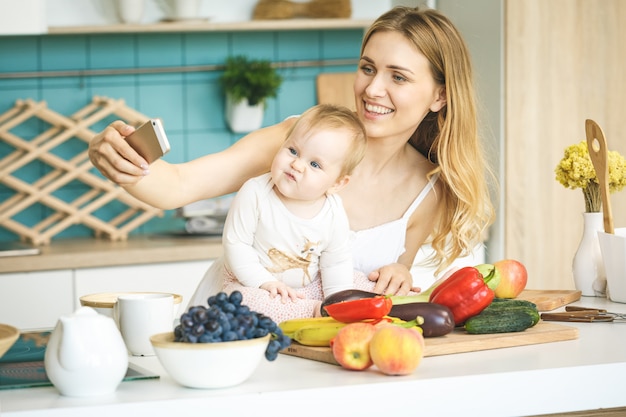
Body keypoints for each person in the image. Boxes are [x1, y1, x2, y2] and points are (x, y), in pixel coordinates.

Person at [88, 6, 495, 309]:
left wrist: (400, 275)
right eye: (368, 68)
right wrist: (118, 157)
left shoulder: (427, 190)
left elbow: (385, 285)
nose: (373, 89)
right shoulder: (298, 141)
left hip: (325, 356)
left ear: (440, 95)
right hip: (237, 331)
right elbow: (177, 186)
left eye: (398, 76)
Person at [220, 104, 367, 322]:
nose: (297, 165)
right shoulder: (256, 192)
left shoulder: (333, 210)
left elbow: (335, 262)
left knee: (360, 283)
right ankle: (311, 312)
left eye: (315, 164)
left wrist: (339, 300)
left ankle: (329, 311)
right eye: (293, 151)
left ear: (337, 182)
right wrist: (265, 283)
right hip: (252, 282)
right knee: (240, 303)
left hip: (305, 288)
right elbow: (236, 245)